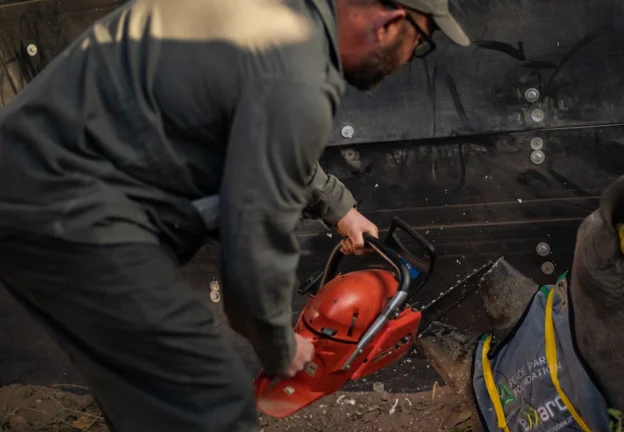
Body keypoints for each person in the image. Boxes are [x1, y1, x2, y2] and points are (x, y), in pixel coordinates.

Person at [0, 0, 470, 430]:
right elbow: (253, 242)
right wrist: (281, 345)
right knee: (209, 404)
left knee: (147, 390)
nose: (410, 57)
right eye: (420, 41)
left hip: (31, 183)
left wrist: (340, 208)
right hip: (73, 210)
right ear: (391, 22)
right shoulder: (298, 68)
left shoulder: (273, 21)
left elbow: (261, 136)